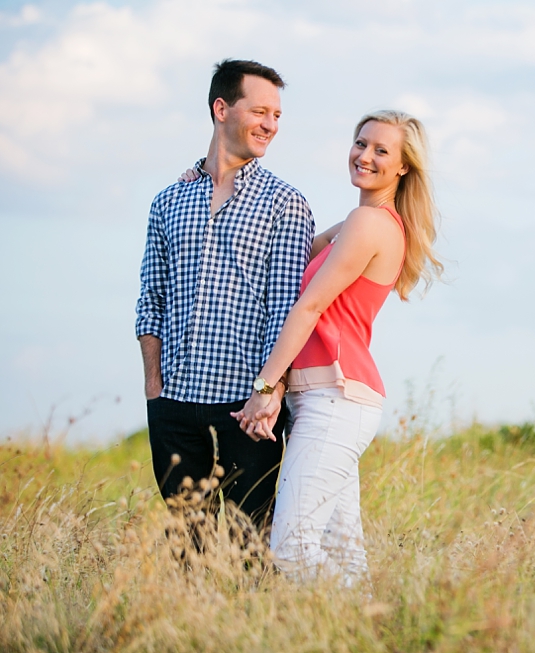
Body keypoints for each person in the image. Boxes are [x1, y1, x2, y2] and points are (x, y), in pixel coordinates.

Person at [231, 110, 442, 582]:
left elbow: (308, 306)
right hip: (333, 400)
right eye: (361, 143)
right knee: (344, 554)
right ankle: (365, 620)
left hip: (335, 398)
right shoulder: (361, 221)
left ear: (403, 167)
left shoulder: (369, 224)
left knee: (291, 548)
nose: (364, 155)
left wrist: (265, 387)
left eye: (381, 150)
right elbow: (293, 250)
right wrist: (209, 176)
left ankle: (372, 617)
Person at [135, 59, 315, 530]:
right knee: (186, 545)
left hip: (246, 410)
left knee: (247, 545)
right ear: (221, 109)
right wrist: (154, 388)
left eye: (277, 115)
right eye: (260, 112)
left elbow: (286, 311)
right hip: (174, 405)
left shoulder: (285, 204)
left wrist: (269, 394)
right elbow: (151, 298)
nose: (271, 125)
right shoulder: (169, 201)